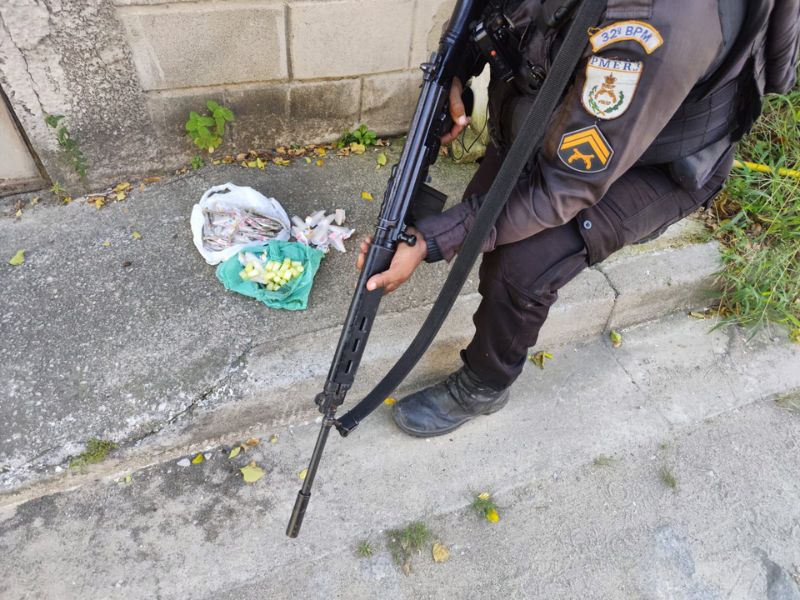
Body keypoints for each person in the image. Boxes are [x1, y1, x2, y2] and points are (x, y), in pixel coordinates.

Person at [356, 0, 800, 437]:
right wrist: (458, 67)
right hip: (557, 117)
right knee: (483, 204)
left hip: (655, 164)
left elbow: (563, 189)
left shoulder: (654, 19)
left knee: (520, 263)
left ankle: (484, 384)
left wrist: (435, 239)